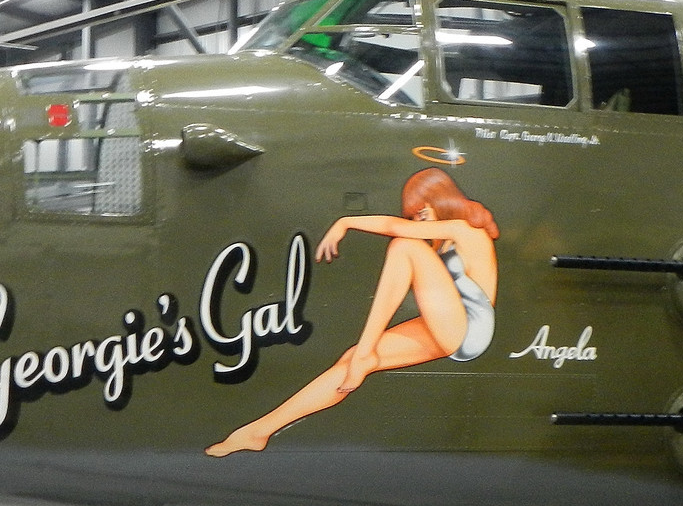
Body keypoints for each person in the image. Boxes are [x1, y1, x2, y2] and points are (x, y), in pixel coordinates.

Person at [206, 167, 499, 456]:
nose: (418, 218)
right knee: (350, 361)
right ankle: (259, 432)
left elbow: (397, 229)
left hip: (470, 327)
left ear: (442, 199)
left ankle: (365, 352)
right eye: (415, 214)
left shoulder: (464, 230)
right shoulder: (446, 237)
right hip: (451, 324)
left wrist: (345, 221)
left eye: (423, 210)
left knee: (404, 247)